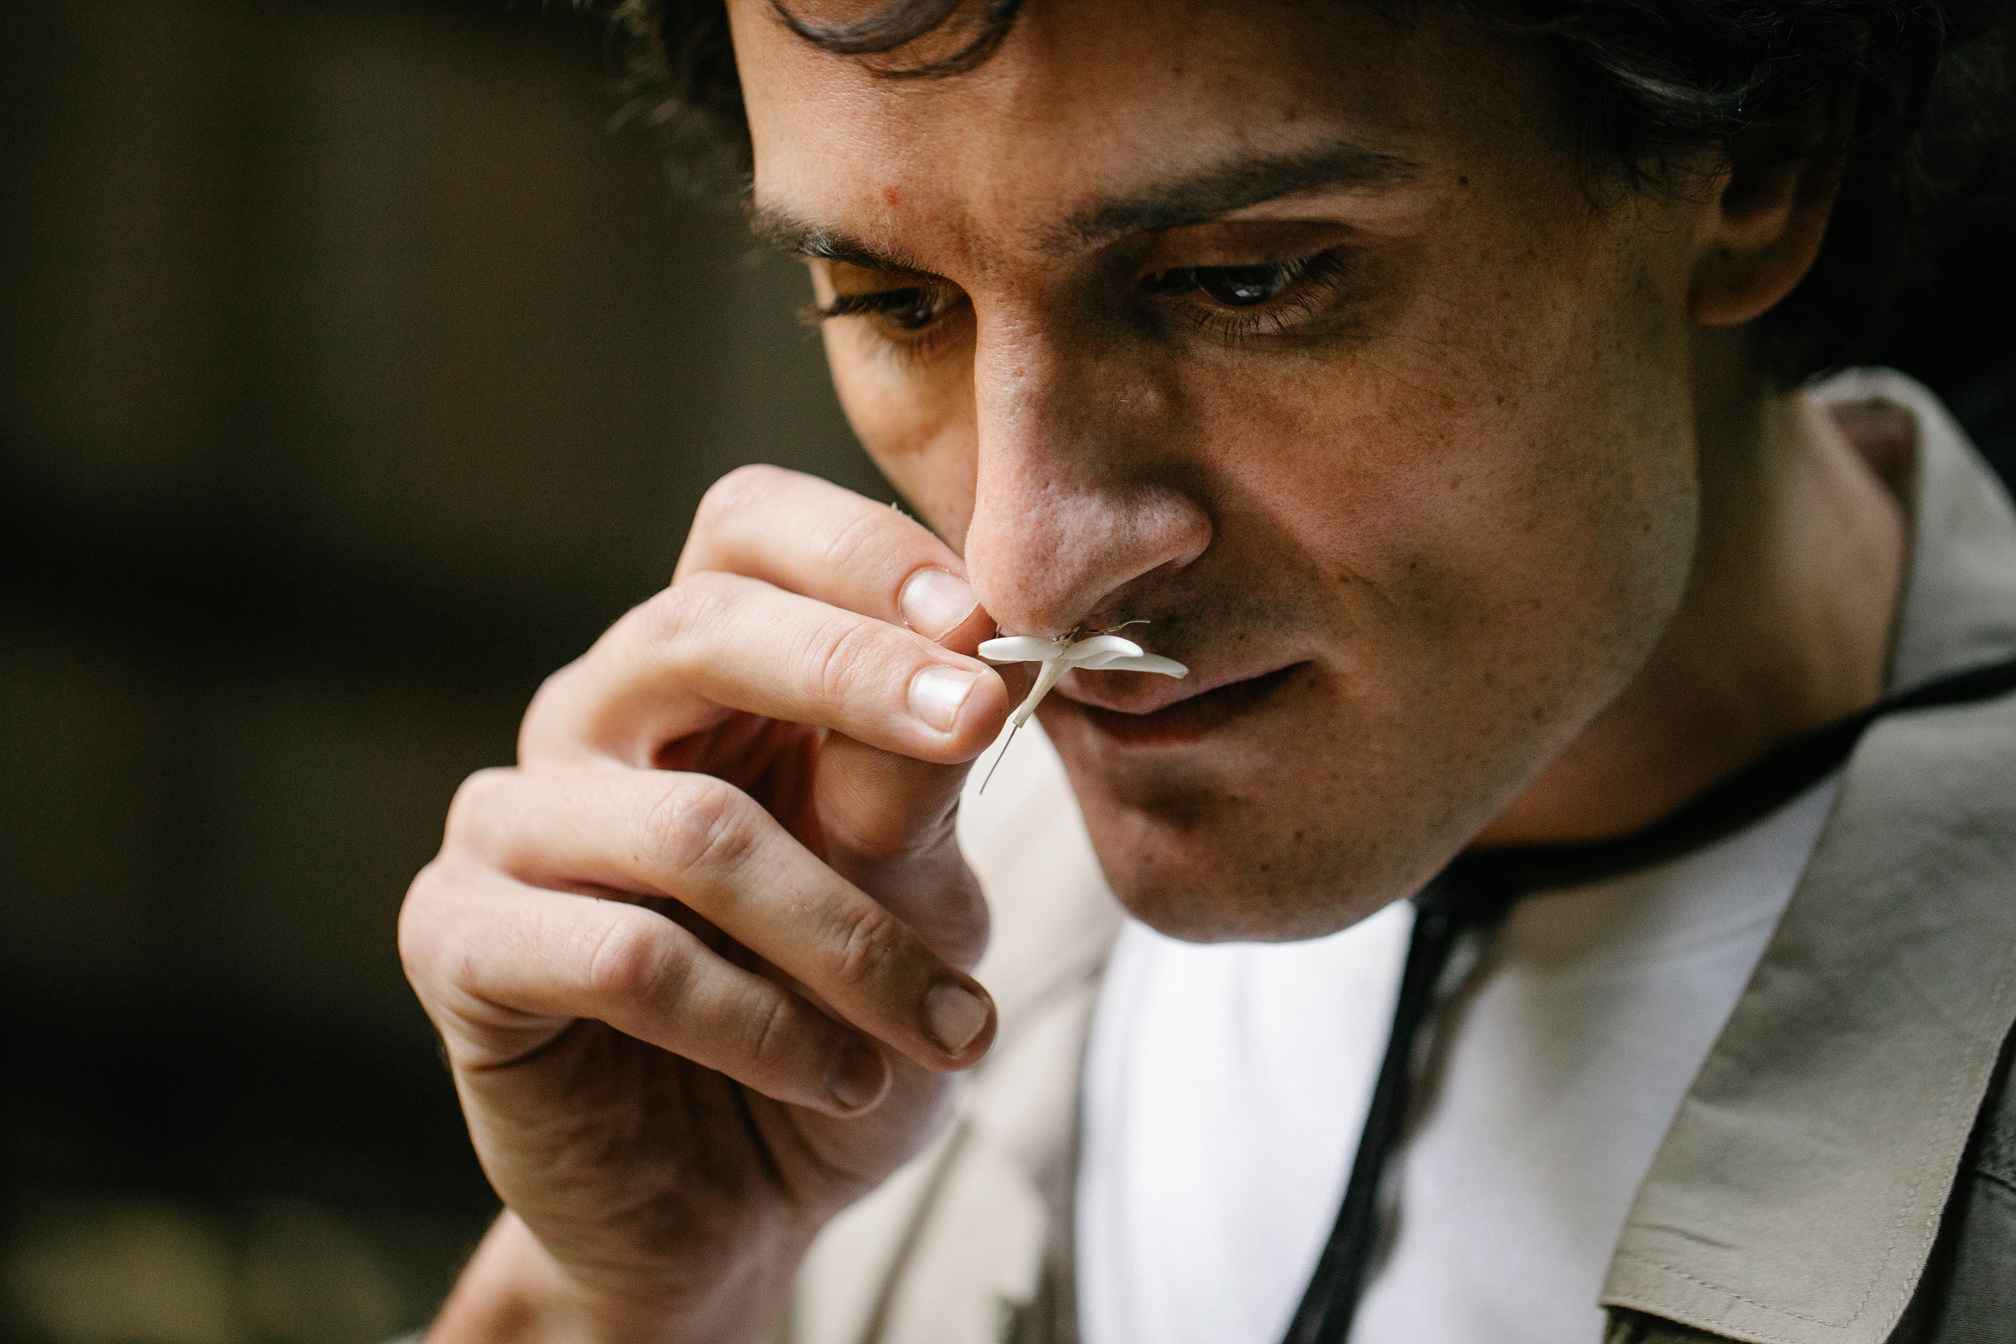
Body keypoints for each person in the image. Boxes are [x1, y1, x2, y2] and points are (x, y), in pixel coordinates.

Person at [396, 2, 2016, 1341]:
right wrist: (631, 1304)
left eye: (1245, 281)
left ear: (1754, 169)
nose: (1020, 566)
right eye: (894, 302)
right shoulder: (881, 910)